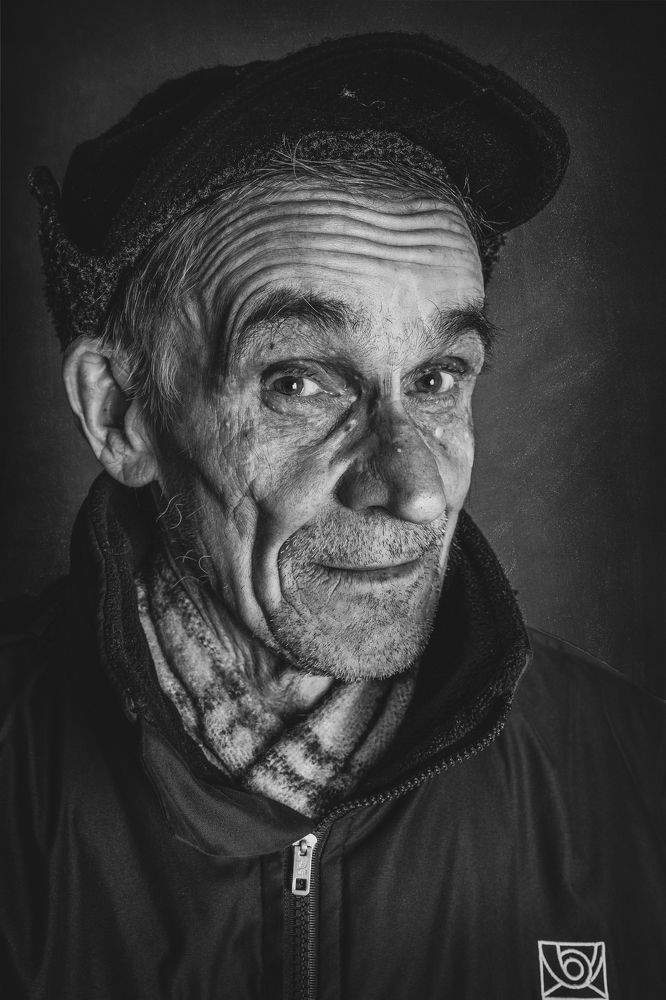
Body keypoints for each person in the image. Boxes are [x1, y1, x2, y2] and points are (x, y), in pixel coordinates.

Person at [1, 31, 664, 1000]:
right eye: (300, 381)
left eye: (437, 378)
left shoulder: (634, 778)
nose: (417, 488)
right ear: (120, 412)